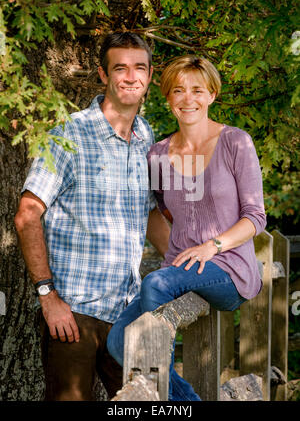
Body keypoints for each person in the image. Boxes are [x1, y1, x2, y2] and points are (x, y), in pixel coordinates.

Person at [14, 32, 170, 401]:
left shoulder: (146, 137)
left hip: (129, 314)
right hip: (74, 315)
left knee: (145, 405)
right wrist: (48, 297)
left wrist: (185, 261)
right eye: (120, 68)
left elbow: (148, 213)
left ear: (149, 75)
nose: (131, 77)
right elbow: (27, 215)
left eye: (139, 68)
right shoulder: (69, 134)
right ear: (103, 74)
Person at [107, 55, 267, 401]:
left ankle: (162, 399)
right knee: (117, 341)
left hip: (229, 269)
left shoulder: (236, 143)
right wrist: (179, 250)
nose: (187, 98)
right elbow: (160, 209)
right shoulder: (158, 155)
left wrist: (213, 245)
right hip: (183, 267)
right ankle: (187, 401)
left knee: (157, 282)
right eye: (178, 90)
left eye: (197, 90)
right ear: (168, 98)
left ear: (211, 94)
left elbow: (255, 217)